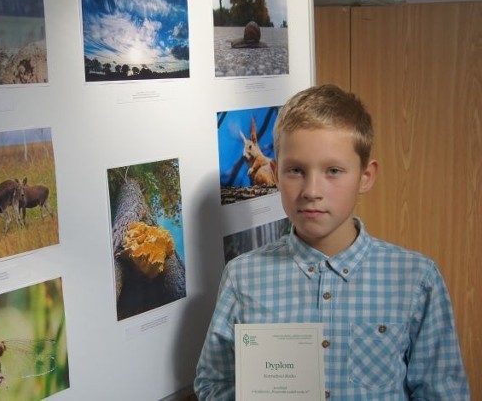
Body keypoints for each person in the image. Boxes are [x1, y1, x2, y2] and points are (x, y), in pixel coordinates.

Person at [194, 84, 470, 400]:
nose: (312, 190)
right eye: (295, 170)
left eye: (333, 171)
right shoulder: (242, 277)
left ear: (365, 176)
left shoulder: (416, 280)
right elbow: (212, 383)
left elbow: (444, 393)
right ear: (275, 173)